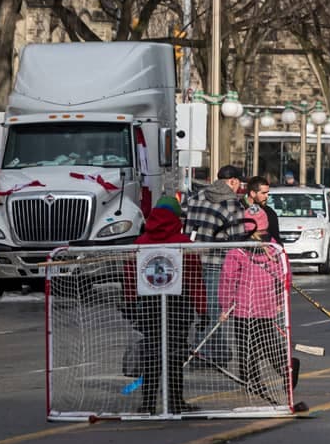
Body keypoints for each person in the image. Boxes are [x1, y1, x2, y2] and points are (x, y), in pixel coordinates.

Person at [125, 198, 206, 414]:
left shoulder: (140, 243)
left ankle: (148, 403)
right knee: (175, 355)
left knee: (151, 355)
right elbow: (194, 279)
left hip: (148, 304)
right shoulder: (183, 244)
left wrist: (130, 302)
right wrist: (202, 309)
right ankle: (175, 401)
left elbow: (129, 276)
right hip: (179, 305)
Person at [218, 224, 301, 405]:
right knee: (267, 342)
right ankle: (284, 367)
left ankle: (253, 379)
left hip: (243, 308)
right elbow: (283, 277)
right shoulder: (275, 249)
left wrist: (225, 305)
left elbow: (228, 279)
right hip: (266, 305)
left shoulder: (238, 251)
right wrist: (279, 300)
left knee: (246, 345)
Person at [182, 164, 249, 363]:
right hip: (216, 262)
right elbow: (238, 238)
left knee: (197, 308)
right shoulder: (232, 203)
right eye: (238, 184)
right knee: (214, 310)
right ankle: (201, 351)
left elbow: (183, 218)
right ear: (233, 181)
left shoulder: (197, 195)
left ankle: (218, 352)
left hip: (191, 260)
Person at [244, 176, 280, 244]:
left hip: (266, 249)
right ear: (252, 193)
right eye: (263, 193)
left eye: (267, 193)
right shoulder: (239, 209)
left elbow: (276, 238)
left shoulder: (269, 212)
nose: (267, 196)